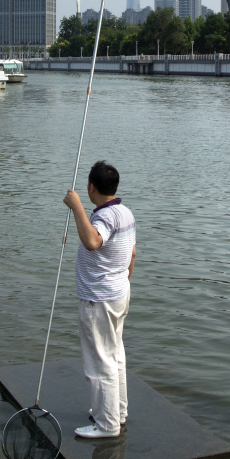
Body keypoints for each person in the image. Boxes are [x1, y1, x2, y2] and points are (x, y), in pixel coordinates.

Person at [62, 161, 137, 438]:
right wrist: (123, 282)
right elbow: (132, 254)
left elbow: (93, 241)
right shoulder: (125, 212)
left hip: (99, 298)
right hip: (118, 293)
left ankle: (107, 425)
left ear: (92, 187)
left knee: (100, 360)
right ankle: (117, 411)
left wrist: (76, 207)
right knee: (115, 354)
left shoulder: (104, 217)